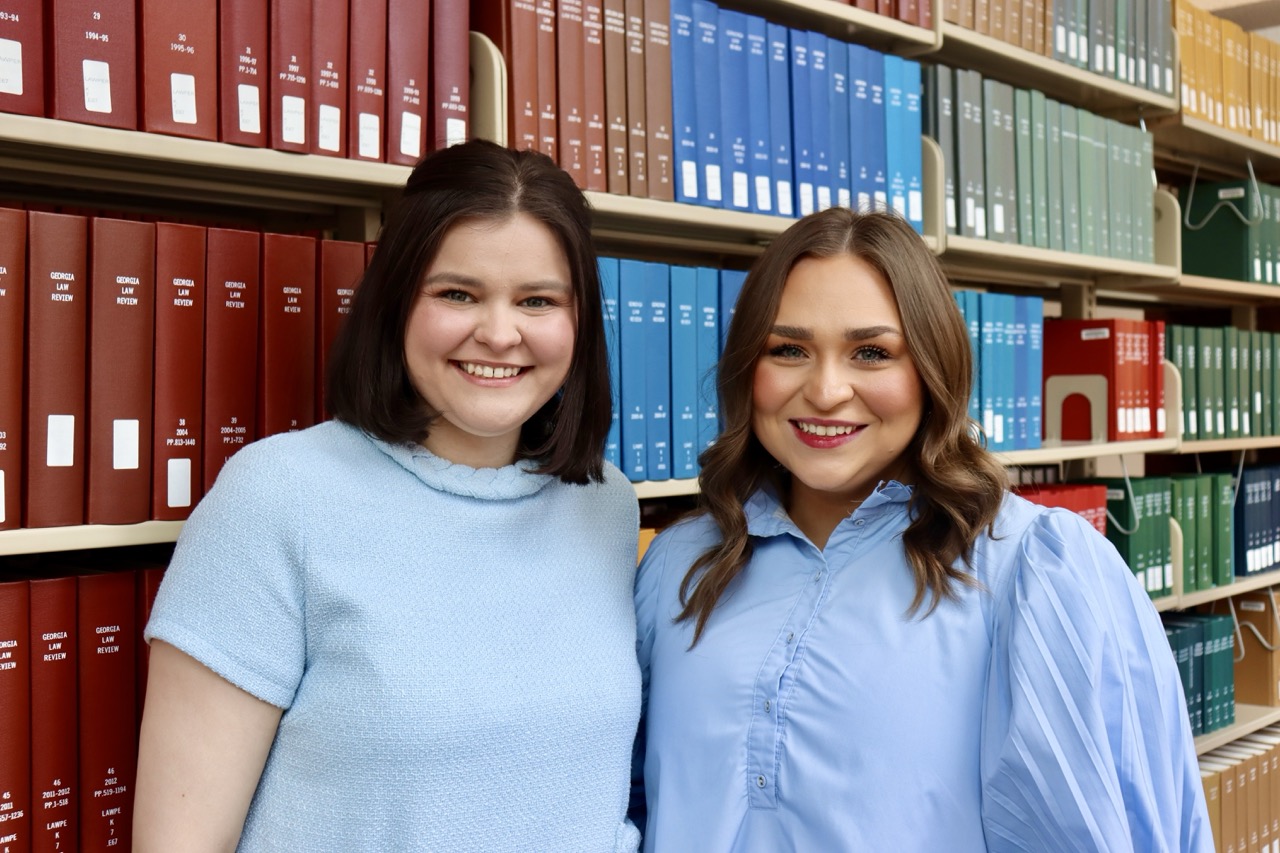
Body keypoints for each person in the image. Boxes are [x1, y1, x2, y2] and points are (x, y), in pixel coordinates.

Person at [632, 207, 1211, 851]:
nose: (825, 390)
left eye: (872, 352)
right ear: (749, 367)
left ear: (931, 369)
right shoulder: (677, 564)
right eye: (788, 349)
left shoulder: (1032, 569)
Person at [135, 139, 642, 852]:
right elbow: (180, 842)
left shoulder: (607, 504)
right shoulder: (278, 497)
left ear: (578, 320)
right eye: (457, 293)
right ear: (397, 301)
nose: (499, 333)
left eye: (537, 300)